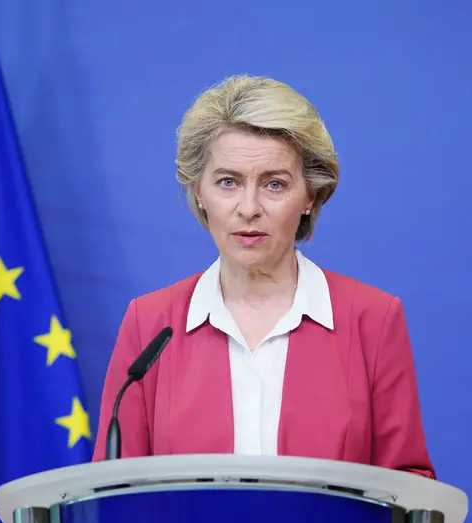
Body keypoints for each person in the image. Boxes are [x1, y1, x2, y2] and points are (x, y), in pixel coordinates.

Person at [91, 75, 435, 479]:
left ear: (309, 195)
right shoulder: (149, 323)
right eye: (228, 182)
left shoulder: (372, 321)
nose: (248, 208)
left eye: (274, 184)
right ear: (199, 191)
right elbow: (112, 491)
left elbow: (410, 491)